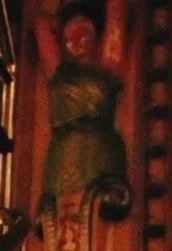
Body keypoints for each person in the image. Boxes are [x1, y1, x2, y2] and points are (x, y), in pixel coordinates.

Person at [36, 0, 128, 209]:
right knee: (62, 215)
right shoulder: (58, 73)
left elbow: (117, 11)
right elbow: (41, 24)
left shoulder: (108, 67)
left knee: (101, 211)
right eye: (70, 38)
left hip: (100, 147)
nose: (77, 41)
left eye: (84, 33)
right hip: (63, 150)